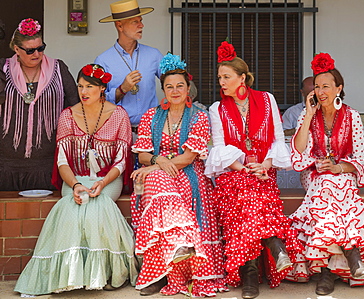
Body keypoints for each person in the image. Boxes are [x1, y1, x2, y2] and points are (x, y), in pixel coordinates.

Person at [14, 64, 138, 296]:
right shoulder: (68, 115)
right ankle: (67, 275)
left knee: (97, 205)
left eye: (89, 86)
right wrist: (76, 185)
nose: (83, 91)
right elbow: (62, 162)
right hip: (75, 179)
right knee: (70, 207)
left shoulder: (119, 115)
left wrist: (101, 183)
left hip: (107, 178)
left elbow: (121, 162)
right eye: (81, 86)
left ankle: (102, 273)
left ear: (102, 89)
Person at [204, 41, 303, 299]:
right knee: (246, 197)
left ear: (242, 78)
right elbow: (220, 149)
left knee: (253, 197)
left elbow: (278, 140)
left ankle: (250, 276)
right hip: (233, 172)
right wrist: (245, 168)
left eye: (226, 77)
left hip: (264, 170)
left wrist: (265, 165)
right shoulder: (217, 109)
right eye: (219, 78)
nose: (222, 83)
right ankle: (274, 246)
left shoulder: (267, 100)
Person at [130, 53, 227, 297]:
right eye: (169, 86)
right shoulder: (151, 116)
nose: (174, 91)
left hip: (188, 173)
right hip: (160, 174)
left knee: (160, 182)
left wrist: (155, 165)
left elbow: (188, 158)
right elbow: (142, 155)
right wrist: (157, 161)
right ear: (163, 90)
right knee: (159, 182)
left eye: (179, 86)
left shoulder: (199, 116)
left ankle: (172, 271)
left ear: (188, 89)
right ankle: (172, 260)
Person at [287, 53, 364, 295]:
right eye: (317, 87)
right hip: (314, 175)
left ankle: (327, 273)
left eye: (326, 86)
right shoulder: (307, 114)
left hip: (342, 175)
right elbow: (299, 149)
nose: (321, 91)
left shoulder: (352, 116)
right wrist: (309, 115)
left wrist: (338, 167)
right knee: (326, 185)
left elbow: (359, 159)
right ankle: (352, 255)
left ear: (338, 88)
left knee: (331, 189)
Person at [0, 18, 78, 191]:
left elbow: (75, 106)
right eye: (30, 50)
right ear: (16, 49)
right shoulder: (3, 70)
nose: (36, 54)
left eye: (40, 48)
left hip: (46, 162)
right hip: (6, 163)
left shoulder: (58, 69)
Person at [95, 0, 163, 130]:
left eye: (141, 20)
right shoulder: (103, 61)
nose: (141, 25)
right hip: (118, 132)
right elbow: (98, 102)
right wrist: (122, 89)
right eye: (135, 22)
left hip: (152, 131)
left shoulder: (154, 55)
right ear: (119, 26)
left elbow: (173, 83)